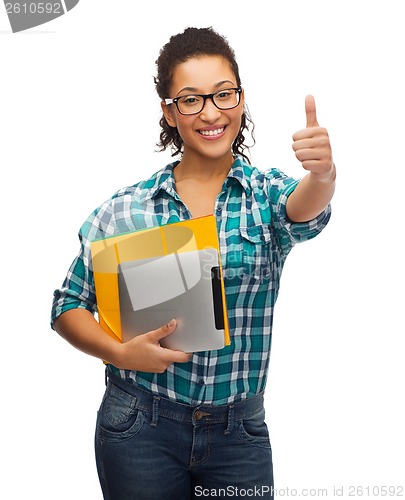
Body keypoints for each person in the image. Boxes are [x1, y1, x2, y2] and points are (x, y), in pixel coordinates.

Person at [51, 27, 335, 500]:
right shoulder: (125, 209)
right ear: (168, 110)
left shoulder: (264, 196)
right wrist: (119, 352)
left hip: (238, 434)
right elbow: (68, 304)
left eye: (224, 94)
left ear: (241, 99)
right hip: (139, 424)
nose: (211, 113)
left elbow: (303, 210)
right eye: (190, 99)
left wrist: (323, 174)